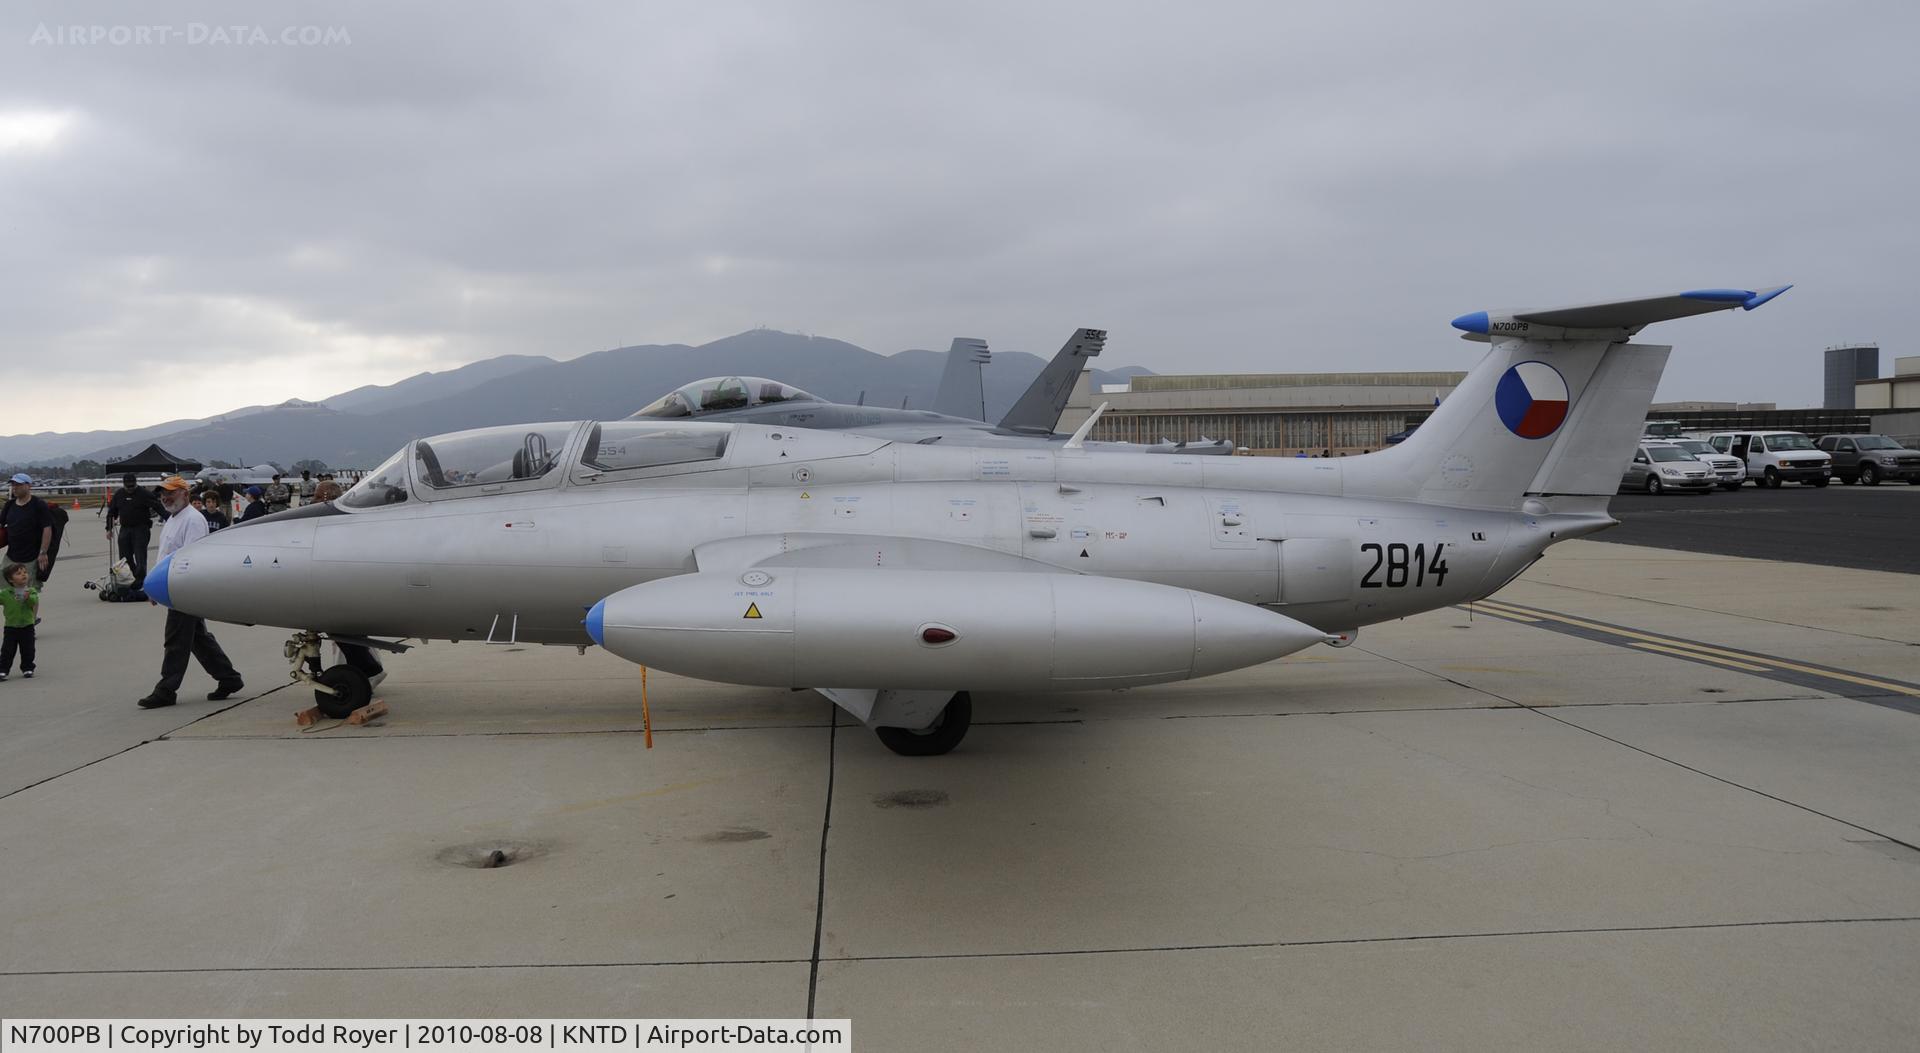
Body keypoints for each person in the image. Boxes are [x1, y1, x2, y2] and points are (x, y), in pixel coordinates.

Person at [138, 476, 243, 709]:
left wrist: (167, 588)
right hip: (170, 586)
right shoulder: (173, 518)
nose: (165, 497)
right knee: (197, 638)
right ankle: (229, 678)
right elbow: (165, 554)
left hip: (183, 588)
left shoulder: (193, 520)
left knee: (175, 639)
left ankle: (166, 690)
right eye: (163, 494)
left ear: (185, 494)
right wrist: (154, 586)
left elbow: (190, 559)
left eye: (171, 493)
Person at [105, 472, 166, 589]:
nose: (130, 489)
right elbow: (112, 512)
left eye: (132, 486)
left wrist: (170, 519)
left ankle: (141, 581)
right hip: (125, 529)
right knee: (124, 557)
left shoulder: (144, 494)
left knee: (140, 556)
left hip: (141, 528)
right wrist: (109, 528)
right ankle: (130, 579)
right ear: (123, 485)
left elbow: (158, 506)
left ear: (136, 484)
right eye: (128, 486)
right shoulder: (119, 494)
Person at [2, 474, 53, 588]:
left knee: (29, 595)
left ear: (28, 486)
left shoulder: (38, 505)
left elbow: (47, 528)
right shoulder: (9, 505)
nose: (15, 487)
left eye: (18, 484)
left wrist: (43, 552)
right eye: (13, 484)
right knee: (5, 592)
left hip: (31, 559)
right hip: (10, 557)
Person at [0, 562, 37, 680]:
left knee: (28, 650)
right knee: (7, 651)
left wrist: (28, 598)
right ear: (11, 580)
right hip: (11, 627)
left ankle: (28, 668)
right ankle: (3, 670)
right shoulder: (5, 593)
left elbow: (34, 602)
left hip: (27, 626)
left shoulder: (31, 591)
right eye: (19, 573)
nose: (23, 575)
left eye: (25, 572)